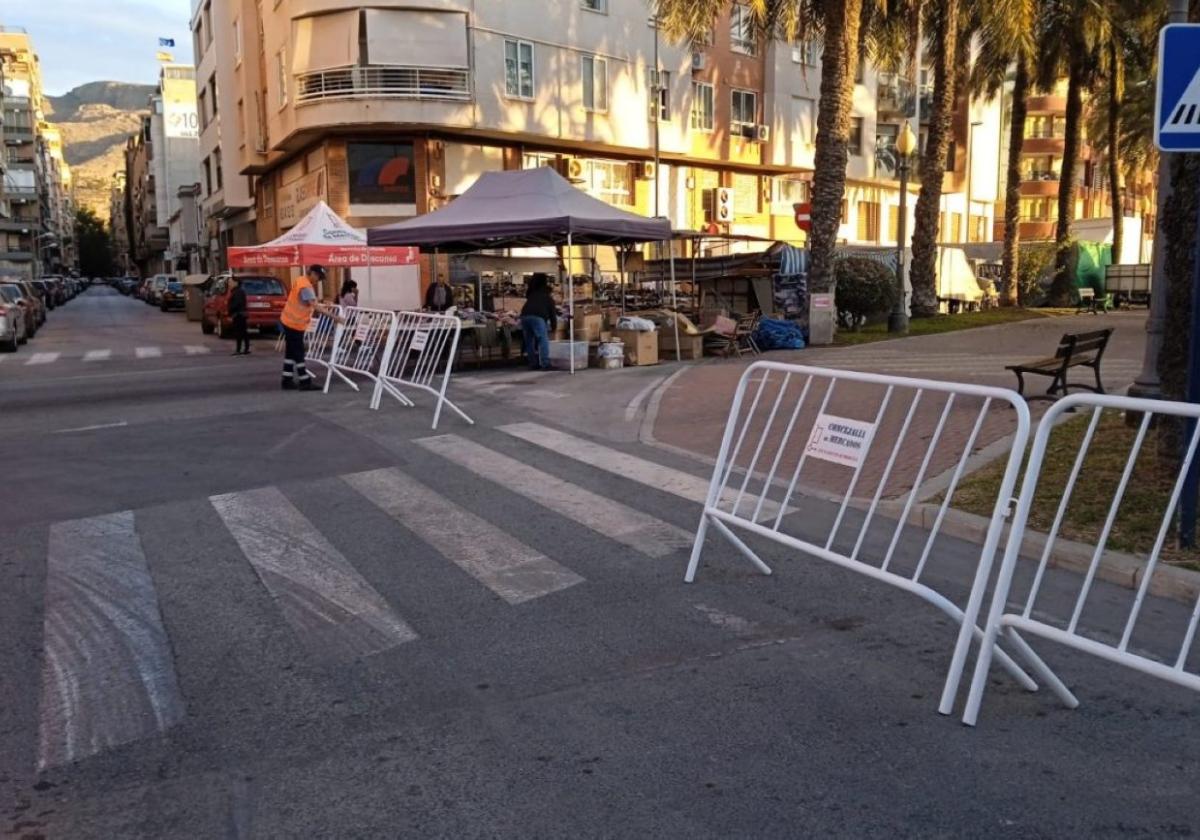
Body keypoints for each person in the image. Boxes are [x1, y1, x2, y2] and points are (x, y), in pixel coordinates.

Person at [279, 265, 339, 391]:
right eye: (317, 276)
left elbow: (310, 302)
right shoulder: (306, 286)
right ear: (311, 273)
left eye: (320, 278)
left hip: (288, 321)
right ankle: (304, 381)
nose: (318, 280)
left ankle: (287, 379)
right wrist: (335, 317)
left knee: (291, 352)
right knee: (299, 352)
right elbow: (314, 306)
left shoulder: (300, 280)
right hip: (294, 324)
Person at [520, 273, 557, 371]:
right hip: (538, 317)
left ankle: (533, 363)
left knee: (529, 341)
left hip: (524, 315)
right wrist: (554, 327)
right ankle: (545, 363)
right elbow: (553, 315)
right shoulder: (548, 298)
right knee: (543, 340)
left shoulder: (532, 294)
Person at [228, 275, 250, 356]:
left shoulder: (238, 292)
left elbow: (237, 303)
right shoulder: (237, 291)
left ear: (236, 283)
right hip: (240, 314)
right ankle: (246, 349)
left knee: (239, 333)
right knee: (243, 332)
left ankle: (239, 350)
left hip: (239, 315)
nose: (229, 284)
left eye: (230, 282)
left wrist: (230, 310)